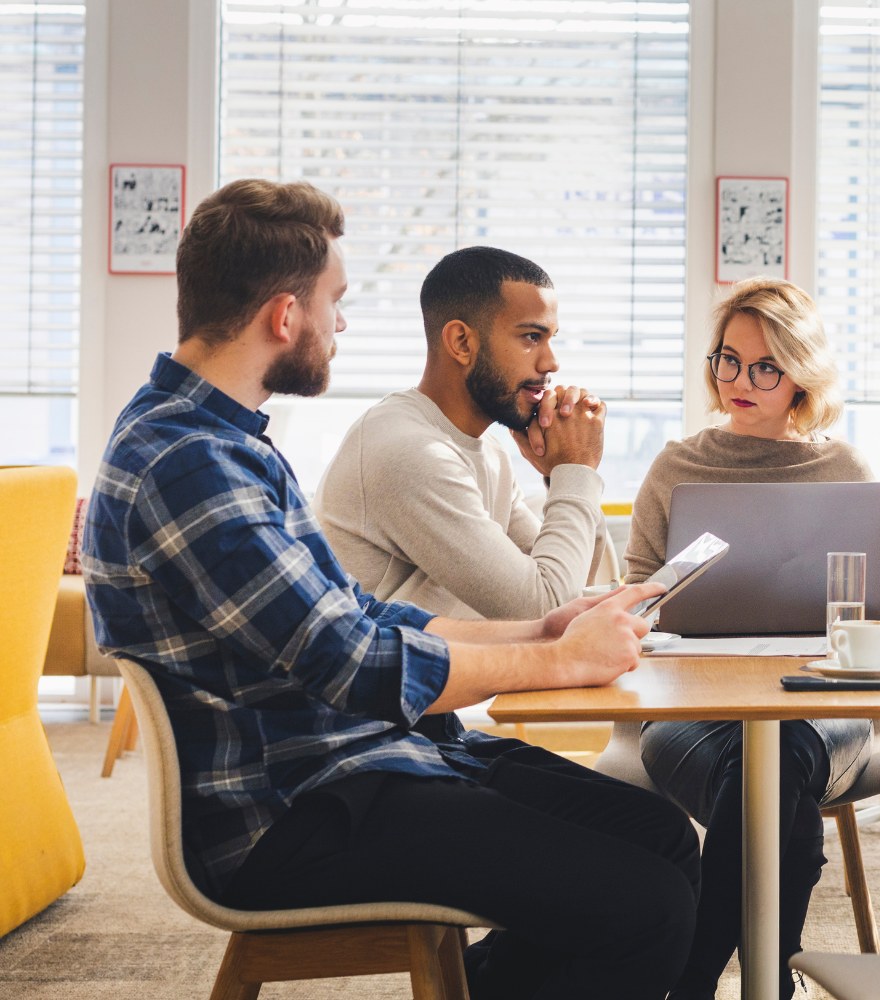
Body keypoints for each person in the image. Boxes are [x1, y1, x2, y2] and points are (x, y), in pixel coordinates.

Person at [82, 179, 700, 1000]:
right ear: (283, 316)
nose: (341, 323)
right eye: (334, 302)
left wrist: (545, 630)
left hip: (352, 759)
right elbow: (355, 664)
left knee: (658, 835)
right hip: (294, 810)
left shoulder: (225, 443)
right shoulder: (187, 462)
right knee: (646, 904)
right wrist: (556, 663)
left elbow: (357, 613)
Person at [617, 277, 874, 1000]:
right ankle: (773, 981)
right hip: (692, 711)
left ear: (802, 374)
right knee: (779, 793)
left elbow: (874, 612)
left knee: (785, 752)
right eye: (726, 360)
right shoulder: (676, 467)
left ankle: (691, 980)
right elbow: (636, 600)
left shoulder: (845, 471)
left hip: (822, 708)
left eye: (765, 366)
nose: (740, 380)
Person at [320, 245, 610, 621]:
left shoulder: (484, 449)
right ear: (461, 343)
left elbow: (567, 585)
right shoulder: (411, 452)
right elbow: (544, 607)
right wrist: (576, 468)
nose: (551, 362)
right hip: (401, 678)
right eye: (531, 337)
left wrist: (562, 473)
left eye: (551, 338)